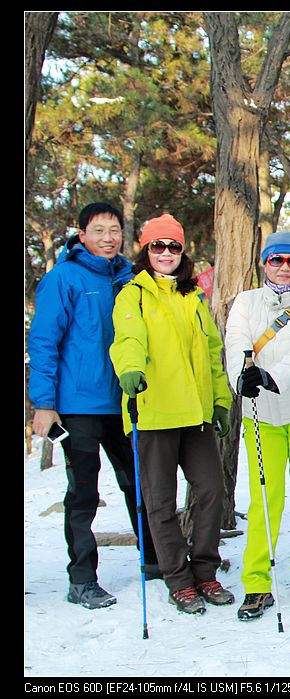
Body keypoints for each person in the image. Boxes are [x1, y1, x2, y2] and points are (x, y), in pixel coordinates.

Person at [28, 202, 159, 610]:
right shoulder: (63, 278)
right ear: (82, 235)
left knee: (140, 482)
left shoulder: (130, 278)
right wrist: (43, 403)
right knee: (83, 492)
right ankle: (82, 578)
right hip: (79, 405)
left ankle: (157, 560)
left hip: (124, 402)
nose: (108, 237)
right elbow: (44, 343)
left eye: (114, 230)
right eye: (99, 230)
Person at [110, 214, 234, 615]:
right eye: (157, 246)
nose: (166, 253)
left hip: (195, 414)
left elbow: (213, 354)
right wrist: (130, 369)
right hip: (155, 412)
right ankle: (177, 579)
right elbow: (127, 338)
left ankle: (205, 570)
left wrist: (220, 401)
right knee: (160, 504)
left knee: (212, 491)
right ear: (146, 251)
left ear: (183, 253)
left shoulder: (192, 297)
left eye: (173, 246)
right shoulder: (134, 295)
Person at [224, 231, 290, 621]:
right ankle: (256, 580)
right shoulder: (245, 302)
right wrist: (243, 374)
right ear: (264, 262)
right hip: (260, 415)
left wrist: (272, 376)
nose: (285, 267)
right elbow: (236, 340)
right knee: (264, 498)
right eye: (277, 260)